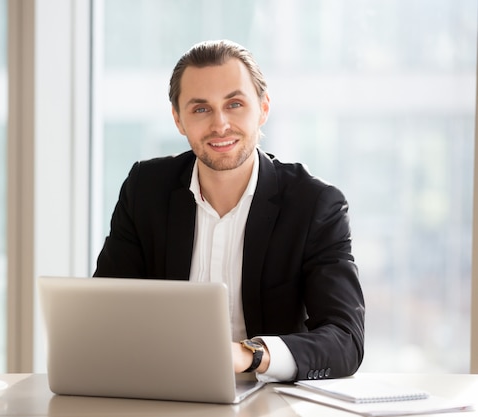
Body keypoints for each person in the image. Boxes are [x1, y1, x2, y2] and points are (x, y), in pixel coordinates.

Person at [94, 39, 365, 382]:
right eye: (201, 109)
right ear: (178, 119)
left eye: (235, 104)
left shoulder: (314, 205)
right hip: (162, 392)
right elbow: (105, 314)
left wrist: (249, 355)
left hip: (266, 399)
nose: (220, 125)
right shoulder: (144, 190)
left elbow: (345, 339)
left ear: (263, 108)